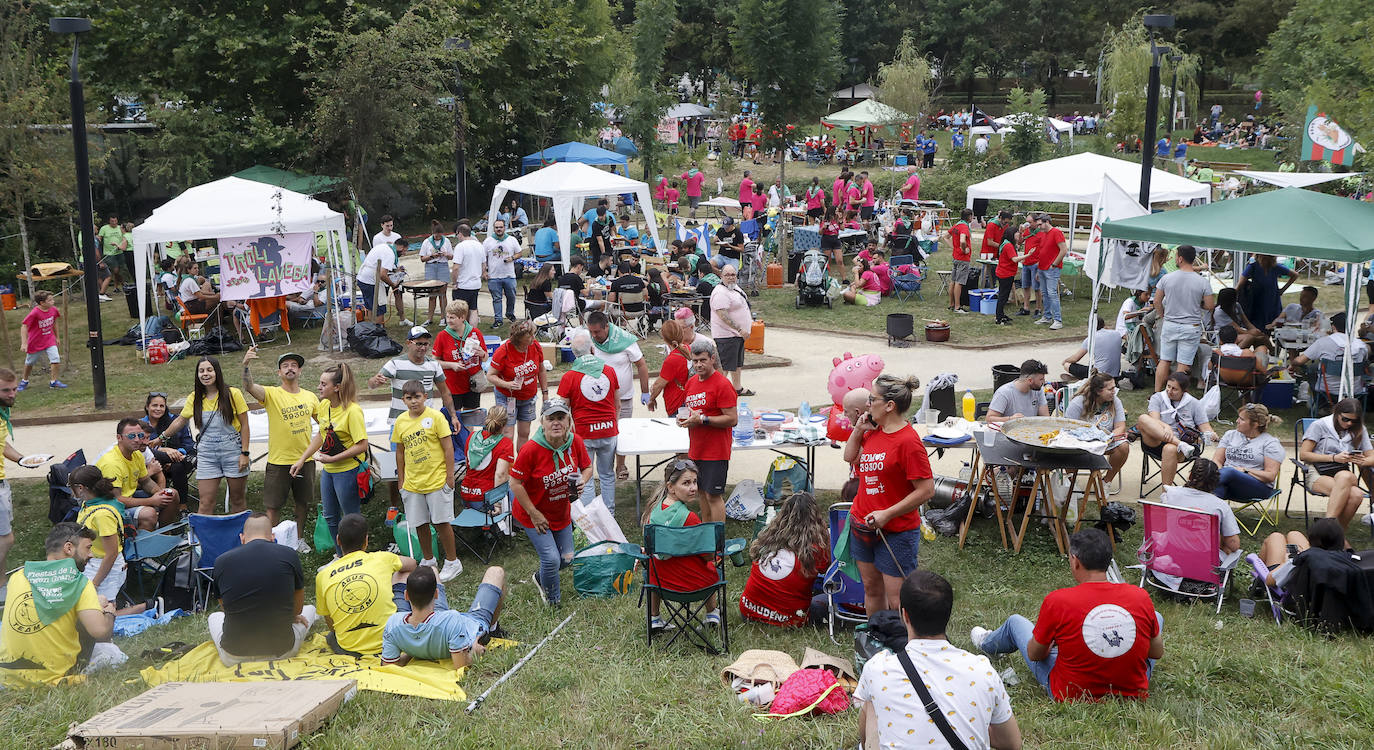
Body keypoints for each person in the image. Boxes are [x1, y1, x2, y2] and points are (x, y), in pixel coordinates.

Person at [970, 528, 1163, 701]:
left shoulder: (1058, 601)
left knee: (1015, 622)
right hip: (1131, 690)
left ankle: (987, 643)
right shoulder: (1141, 597)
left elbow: (1035, 654)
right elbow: (1155, 652)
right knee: (1156, 616)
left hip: (1070, 691)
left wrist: (1052, 644)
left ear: (1075, 561)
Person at [857, 570, 1021, 750]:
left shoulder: (878, 668)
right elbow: (1012, 744)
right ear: (948, 615)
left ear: (905, 615)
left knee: (870, 702)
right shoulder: (982, 670)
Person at [843, 374, 933, 614]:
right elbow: (849, 457)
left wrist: (887, 514)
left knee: (898, 599)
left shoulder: (908, 442)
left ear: (890, 405)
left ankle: (904, 646)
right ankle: (877, 639)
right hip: (863, 524)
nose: (868, 403)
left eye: (872, 399)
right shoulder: (874, 430)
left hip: (896, 531)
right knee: (872, 589)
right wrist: (859, 429)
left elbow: (926, 490)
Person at [0, 523, 114, 687]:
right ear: (69, 548)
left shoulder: (19, 576)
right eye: (88, 548)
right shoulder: (79, 582)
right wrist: (109, 612)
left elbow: (48, 601)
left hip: (7, 676)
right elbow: (100, 632)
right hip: (52, 678)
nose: (91, 555)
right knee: (113, 654)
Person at [512, 399, 591, 607]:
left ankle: (541, 577)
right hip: (533, 512)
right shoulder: (531, 450)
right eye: (551, 418)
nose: (556, 423)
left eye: (561, 418)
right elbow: (515, 483)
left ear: (569, 421)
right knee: (551, 559)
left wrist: (583, 480)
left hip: (560, 511)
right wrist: (533, 513)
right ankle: (553, 601)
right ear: (542, 423)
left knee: (567, 558)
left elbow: (587, 467)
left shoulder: (575, 442)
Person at [208, 512, 317, 665]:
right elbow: (297, 610)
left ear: (242, 538)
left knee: (214, 617)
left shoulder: (221, 562)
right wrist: (288, 615)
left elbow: (227, 609)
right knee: (310, 609)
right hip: (282, 651)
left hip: (233, 655)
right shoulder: (289, 555)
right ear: (272, 536)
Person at [146, 357, 248, 514]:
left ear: (217, 372)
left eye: (209, 370)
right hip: (206, 453)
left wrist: (245, 453)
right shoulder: (194, 397)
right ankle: (204, 538)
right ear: (197, 374)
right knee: (206, 502)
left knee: (237, 500)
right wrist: (160, 439)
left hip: (232, 451)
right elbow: (180, 420)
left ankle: (240, 536)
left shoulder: (233, 394)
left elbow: (245, 425)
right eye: (201, 371)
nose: (205, 374)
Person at [290, 364, 369, 546]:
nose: (319, 387)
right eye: (320, 383)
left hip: (348, 471)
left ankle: (357, 556)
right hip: (329, 470)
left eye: (324, 384)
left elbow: (362, 445)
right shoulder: (324, 405)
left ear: (337, 387)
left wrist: (332, 458)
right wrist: (302, 459)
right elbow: (322, 434)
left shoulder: (352, 411)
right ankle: (340, 554)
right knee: (330, 516)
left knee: (351, 519)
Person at [391, 380, 462, 582]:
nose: (414, 401)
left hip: (437, 480)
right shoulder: (401, 421)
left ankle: (452, 561)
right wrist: (401, 480)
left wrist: (449, 477)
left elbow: (448, 448)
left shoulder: (436, 417)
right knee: (420, 523)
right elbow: (400, 452)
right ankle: (429, 560)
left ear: (426, 397)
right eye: (409, 398)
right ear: (403, 400)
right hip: (413, 483)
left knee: (441, 522)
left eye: (417, 397)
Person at [317, 513, 417, 655]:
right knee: (403, 573)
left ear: (338, 540)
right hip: (391, 641)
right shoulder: (382, 558)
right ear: (366, 540)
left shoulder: (322, 576)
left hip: (349, 648)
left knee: (331, 637)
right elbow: (412, 564)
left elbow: (331, 624)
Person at [241, 348, 318, 529]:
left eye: (294, 365)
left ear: (299, 371)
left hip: (305, 459)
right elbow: (249, 387)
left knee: (302, 503)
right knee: (273, 506)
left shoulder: (311, 396)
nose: (290, 368)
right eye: (285, 366)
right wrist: (245, 365)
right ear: (279, 372)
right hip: (278, 461)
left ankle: (299, 539)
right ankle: (271, 540)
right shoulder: (271, 394)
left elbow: (325, 424)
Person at [643, 459, 721, 631]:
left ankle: (654, 617)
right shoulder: (690, 518)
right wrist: (715, 556)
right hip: (691, 585)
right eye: (686, 483)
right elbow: (706, 554)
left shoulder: (653, 512)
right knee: (709, 564)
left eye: (694, 482)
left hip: (660, 584)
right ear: (671, 487)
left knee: (653, 563)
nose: (693, 487)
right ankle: (712, 614)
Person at [382, 564, 506, 670]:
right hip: (473, 623)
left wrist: (413, 651)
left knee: (431, 569)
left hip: (437, 617)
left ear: (406, 595)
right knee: (496, 571)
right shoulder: (451, 619)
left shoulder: (393, 623)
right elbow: (461, 665)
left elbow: (390, 666)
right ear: (436, 594)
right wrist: (475, 653)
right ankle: (493, 629)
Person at [67, 466, 151, 615]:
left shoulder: (102, 515)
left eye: (71, 486)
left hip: (105, 567)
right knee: (84, 610)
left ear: (81, 488)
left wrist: (95, 583)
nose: (70, 490)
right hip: (91, 562)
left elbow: (111, 554)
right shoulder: (88, 503)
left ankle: (145, 607)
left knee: (102, 614)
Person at [739, 492, 829, 628]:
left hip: (748, 612)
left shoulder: (767, 539)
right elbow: (826, 570)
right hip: (789, 619)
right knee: (827, 598)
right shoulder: (815, 549)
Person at [558, 330, 621, 512]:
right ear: (592, 349)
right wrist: (613, 424)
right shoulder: (609, 371)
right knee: (607, 474)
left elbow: (562, 411)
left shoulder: (569, 376)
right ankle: (609, 512)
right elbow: (617, 404)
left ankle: (589, 514)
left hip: (583, 434)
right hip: (608, 430)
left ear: (574, 353)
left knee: (585, 475)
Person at [679, 338, 737, 524]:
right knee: (701, 493)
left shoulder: (722, 384)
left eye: (703, 360)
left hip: (716, 451)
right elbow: (694, 413)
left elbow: (732, 419)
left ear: (712, 359)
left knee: (713, 495)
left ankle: (717, 539)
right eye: (695, 361)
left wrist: (703, 420)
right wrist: (688, 421)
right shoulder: (691, 383)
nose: (698, 365)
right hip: (697, 449)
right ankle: (705, 531)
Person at [1298, 398, 1374, 528]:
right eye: (1345, 419)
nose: (1349, 423)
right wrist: (1333, 458)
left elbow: (1371, 457)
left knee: (1345, 476)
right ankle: (1338, 536)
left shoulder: (1359, 429)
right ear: (1337, 413)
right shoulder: (1320, 425)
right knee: (1356, 494)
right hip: (1317, 471)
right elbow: (1304, 455)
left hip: (1343, 471)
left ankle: (1327, 530)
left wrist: (1360, 460)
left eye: (1354, 420)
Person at [1135, 372, 1217, 488]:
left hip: (1182, 447)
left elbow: (1205, 427)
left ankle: (1166, 493)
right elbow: (1154, 420)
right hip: (1157, 441)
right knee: (1143, 418)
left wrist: (1211, 434)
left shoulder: (1194, 403)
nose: (1169, 391)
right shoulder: (1158, 397)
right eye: (1168, 386)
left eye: (1174, 389)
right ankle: (1179, 444)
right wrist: (1166, 426)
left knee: (1170, 449)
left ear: (1184, 391)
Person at [368, 326, 461, 427]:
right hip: (400, 423)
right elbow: (371, 385)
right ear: (408, 343)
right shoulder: (395, 364)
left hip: (426, 424)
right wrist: (375, 381)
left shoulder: (434, 365)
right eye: (419, 344)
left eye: (426, 344)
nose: (423, 348)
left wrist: (453, 416)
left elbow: (445, 393)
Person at [1152, 244, 1215, 393]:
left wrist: (1162, 314)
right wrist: (1199, 304)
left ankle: (1157, 393)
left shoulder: (1167, 278)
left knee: (1165, 360)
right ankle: (1176, 394)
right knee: (1183, 364)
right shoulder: (1202, 282)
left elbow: (1156, 301)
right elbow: (1210, 305)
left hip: (1170, 323)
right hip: (1191, 326)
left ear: (1180, 259)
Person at [96, 418, 176, 531]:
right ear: (119, 438)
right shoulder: (111, 463)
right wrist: (152, 501)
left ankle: (162, 534)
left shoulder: (137, 454)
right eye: (132, 436)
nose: (138, 440)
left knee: (171, 494)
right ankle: (139, 546)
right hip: (108, 508)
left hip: (128, 498)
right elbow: (116, 500)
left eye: (140, 435)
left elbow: (146, 481)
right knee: (149, 514)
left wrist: (160, 494)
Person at [1160, 461, 1241, 557]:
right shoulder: (1220, 505)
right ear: (1216, 482)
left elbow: (1162, 523)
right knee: (1226, 542)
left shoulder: (1170, 494)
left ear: (1190, 476)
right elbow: (1234, 544)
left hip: (1168, 560)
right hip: (1205, 565)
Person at [488, 319, 548, 448]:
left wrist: (545, 393)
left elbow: (542, 370)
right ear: (519, 338)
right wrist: (507, 384)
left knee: (524, 432)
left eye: (533, 334)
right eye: (529, 336)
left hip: (528, 396)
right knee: (508, 433)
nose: (533, 338)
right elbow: (490, 375)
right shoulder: (503, 350)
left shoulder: (535, 346)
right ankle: (507, 464)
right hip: (507, 396)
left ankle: (521, 464)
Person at [1210, 403, 1284, 502]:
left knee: (1230, 472)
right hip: (1225, 481)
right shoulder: (1230, 435)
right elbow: (1217, 460)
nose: (1237, 421)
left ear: (1256, 424)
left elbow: (1270, 476)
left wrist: (1245, 470)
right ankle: (1208, 515)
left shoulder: (1270, 443)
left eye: (1242, 419)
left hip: (1257, 487)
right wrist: (1220, 473)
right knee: (1217, 483)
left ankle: (1197, 487)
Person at [1065, 372, 1130, 487]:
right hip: (1080, 443)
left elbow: (1120, 427)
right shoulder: (1078, 403)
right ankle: (1071, 485)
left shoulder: (1115, 401)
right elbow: (1067, 429)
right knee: (1066, 447)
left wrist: (1107, 438)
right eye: (1110, 389)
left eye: (1114, 388)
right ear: (1098, 391)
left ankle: (1106, 483)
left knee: (1123, 446)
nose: (1114, 391)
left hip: (1105, 442)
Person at [1290, 312, 1365, 400]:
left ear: (1333, 327)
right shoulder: (1361, 345)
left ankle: (1321, 404)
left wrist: (1292, 363)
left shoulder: (1323, 342)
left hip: (1328, 388)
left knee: (1311, 369)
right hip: (1354, 389)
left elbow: (1299, 361)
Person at [432, 300, 487, 419]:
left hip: (472, 383)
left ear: (462, 317)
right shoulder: (443, 336)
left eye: (452, 317)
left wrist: (482, 353)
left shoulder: (475, 333)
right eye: (447, 317)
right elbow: (434, 362)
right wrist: (452, 365)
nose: (449, 320)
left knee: (470, 420)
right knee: (452, 419)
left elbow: (486, 357)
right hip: (452, 385)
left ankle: (468, 438)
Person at [140, 391, 194, 506]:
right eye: (154, 405)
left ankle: (182, 506)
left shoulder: (176, 421)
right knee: (176, 463)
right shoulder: (140, 425)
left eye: (161, 406)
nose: (158, 409)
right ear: (147, 407)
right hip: (151, 464)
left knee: (177, 466)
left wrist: (177, 454)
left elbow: (189, 444)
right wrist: (164, 451)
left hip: (177, 462)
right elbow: (140, 448)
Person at [710, 265, 753, 396]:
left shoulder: (734, 288)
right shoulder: (720, 292)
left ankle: (737, 388)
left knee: (737, 364)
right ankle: (716, 391)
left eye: (733, 275)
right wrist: (740, 329)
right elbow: (722, 314)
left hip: (737, 336)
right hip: (727, 335)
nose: (730, 277)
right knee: (725, 365)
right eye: (727, 275)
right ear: (721, 276)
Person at [461, 406, 514, 511]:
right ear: (504, 425)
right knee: (514, 486)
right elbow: (500, 475)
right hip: (487, 498)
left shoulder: (472, 436)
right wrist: (497, 504)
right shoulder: (505, 443)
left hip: (466, 493)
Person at [19, 291, 66, 390]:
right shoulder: (35, 313)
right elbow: (24, 326)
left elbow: (54, 322)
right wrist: (24, 343)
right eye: (50, 300)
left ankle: (54, 382)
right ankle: (24, 381)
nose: (53, 301)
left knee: (55, 359)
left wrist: (57, 337)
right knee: (29, 363)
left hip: (49, 340)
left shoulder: (53, 310)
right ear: (42, 303)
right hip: (36, 342)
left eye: (52, 299)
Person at [1236, 254, 1296, 329]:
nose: (1264, 258)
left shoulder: (1276, 267)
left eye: (1267, 257)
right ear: (1258, 256)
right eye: (1262, 256)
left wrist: (1282, 290)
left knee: (1273, 326)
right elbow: (1239, 284)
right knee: (1257, 328)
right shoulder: (1252, 267)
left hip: (1273, 302)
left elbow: (1294, 275)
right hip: (1256, 302)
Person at [648, 319, 694, 416]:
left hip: (677, 402)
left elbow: (658, 385)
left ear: (664, 339)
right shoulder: (688, 349)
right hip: (688, 399)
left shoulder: (672, 359)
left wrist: (651, 399)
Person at [1032, 214, 1069, 330]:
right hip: (1042, 268)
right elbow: (1043, 251)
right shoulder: (1043, 234)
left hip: (1051, 268)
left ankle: (1057, 319)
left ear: (1047, 222)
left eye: (1040, 224)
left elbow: (1063, 250)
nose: (1039, 227)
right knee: (1045, 293)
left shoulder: (1056, 232)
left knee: (1052, 293)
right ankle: (1047, 316)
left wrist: (1054, 264)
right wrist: (1039, 270)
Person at [985, 359, 1050, 424]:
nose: (1044, 382)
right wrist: (1011, 419)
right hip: (1008, 432)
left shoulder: (1038, 390)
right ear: (1030, 380)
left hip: (1032, 431)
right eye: (1041, 379)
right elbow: (989, 419)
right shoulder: (1004, 393)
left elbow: (1046, 418)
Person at [1061, 315, 1124, 379]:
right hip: (1115, 373)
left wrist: (1065, 361)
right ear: (1104, 324)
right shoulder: (1116, 334)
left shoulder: (1091, 339)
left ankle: (1080, 378)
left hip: (1099, 374)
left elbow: (1075, 358)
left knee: (1067, 365)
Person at [484, 218, 520, 329]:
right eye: (497, 227)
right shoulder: (488, 241)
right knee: (497, 299)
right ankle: (498, 320)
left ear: (505, 228)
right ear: (494, 229)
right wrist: (484, 271)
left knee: (511, 296)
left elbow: (519, 253)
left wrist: (512, 258)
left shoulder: (512, 240)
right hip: (494, 276)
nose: (499, 229)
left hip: (509, 275)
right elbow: (483, 258)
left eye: (501, 227)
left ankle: (510, 313)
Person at [357, 238, 403, 324]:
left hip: (363, 278)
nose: (404, 253)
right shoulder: (390, 254)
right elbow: (382, 275)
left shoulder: (384, 247)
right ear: (401, 248)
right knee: (379, 308)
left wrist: (395, 270)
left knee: (371, 307)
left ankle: (372, 329)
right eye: (405, 251)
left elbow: (381, 268)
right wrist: (393, 284)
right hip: (371, 281)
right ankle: (377, 331)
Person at [418, 220, 454, 325]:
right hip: (431, 266)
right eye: (436, 235)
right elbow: (422, 258)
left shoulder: (446, 241)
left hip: (443, 266)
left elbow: (451, 256)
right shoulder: (427, 242)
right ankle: (430, 318)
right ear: (433, 233)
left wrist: (445, 254)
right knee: (432, 294)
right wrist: (432, 256)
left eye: (439, 235)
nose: (438, 237)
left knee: (442, 294)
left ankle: (443, 318)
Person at [450, 223, 484, 321]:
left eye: (457, 234)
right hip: (476, 283)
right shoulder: (479, 245)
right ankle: (472, 332)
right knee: (473, 309)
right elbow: (484, 265)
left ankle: (460, 332)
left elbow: (456, 268)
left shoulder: (460, 247)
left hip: (463, 284)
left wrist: (455, 282)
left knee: (459, 311)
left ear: (460, 233)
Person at [993, 226, 1024, 325]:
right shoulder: (1008, 245)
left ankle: (1001, 314)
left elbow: (1019, 243)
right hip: (1005, 274)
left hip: (1004, 272)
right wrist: (1028, 255)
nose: (1018, 235)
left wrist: (1022, 233)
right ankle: (999, 318)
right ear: (1012, 234)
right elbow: (1014, 259)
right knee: (1003, 296)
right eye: (1017, 233)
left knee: (1004, 295)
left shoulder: (1007, 243)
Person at [947, 208, 974, 313]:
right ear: (969, 217)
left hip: (955, 257)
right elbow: (962, 240)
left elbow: (945, 236)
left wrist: (954, 248)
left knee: (953, 281)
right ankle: (957, 307)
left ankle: (951, 304)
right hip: (963, 259)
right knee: (959, 282)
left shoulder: (956, 225)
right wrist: (963, 249)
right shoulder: (964, 227)